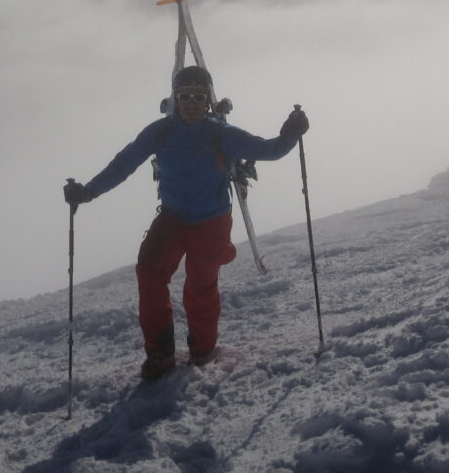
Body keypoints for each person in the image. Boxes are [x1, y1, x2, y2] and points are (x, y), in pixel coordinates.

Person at [63, 66, 309, 380]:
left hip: (212, 221)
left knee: (201, 285)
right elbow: (123, 164)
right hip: (173, 217)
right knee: (149, 271)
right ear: (175, 99)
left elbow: (267, 150)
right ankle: (160, 353)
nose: (191, 102)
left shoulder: (219, 133)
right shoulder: (160, 132)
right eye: (184, 96)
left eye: (198, 96)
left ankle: (202, 350)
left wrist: (290, 133)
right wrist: (87, 192)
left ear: (207, 100)